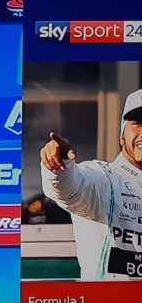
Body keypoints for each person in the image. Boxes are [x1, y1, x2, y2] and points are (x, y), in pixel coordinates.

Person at [40, 88, 142, 280]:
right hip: (109, 300)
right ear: (122, 136)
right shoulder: (105, 178)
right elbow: (69, 188)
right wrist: (59, 166)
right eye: (138, 123)